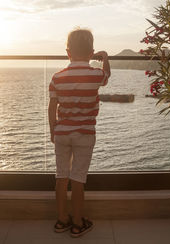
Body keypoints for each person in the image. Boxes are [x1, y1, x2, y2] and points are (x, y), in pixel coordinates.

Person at [48, 28, 110, 237]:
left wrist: (52, 130)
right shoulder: (95, 74)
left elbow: (51, 106)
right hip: (85, 133)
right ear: (92, 53)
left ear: (68, 52)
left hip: (62, 133)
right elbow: (107, 76)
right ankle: (77, 223)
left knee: (61, 178)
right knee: (78, 180)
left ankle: (61, 220)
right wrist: (106, 59)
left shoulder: (57, 77)